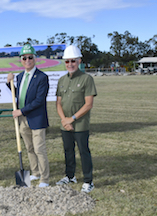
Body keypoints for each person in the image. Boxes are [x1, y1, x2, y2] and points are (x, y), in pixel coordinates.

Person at [7, 44, 50, 187]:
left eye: (30, 57)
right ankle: (35, 172)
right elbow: (18, 94)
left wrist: (21, 111)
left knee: (39, 149)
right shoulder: (19, 77)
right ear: (21, 60)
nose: (27, 60)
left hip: (36, 118)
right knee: (29, 148)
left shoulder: (42, 77)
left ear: (35, 59)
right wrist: (9, 83)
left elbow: (39, 100)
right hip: (23, 120)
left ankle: (44, 179)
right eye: (24, 58)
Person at [55, 45, 97, 193]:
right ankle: (70, 176)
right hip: (65, 124)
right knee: (68, 151)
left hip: (80, 125)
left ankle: (88, 181)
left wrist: (71, 119)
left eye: (73, 61)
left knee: (83, 151)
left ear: (79, 61)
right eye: (67, 61)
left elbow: (88, 104)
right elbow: (58, 103)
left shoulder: (87, 79)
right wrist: (64, 120)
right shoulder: (61, 80)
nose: (70, 64)